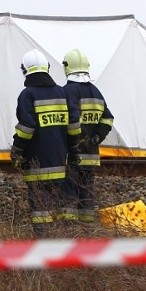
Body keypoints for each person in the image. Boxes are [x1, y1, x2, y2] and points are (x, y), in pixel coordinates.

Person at [12, 49, 80, 237]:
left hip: (37, 163)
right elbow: (73, 124)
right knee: (62, 204)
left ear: (25, 70)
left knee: (41, 208)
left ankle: (44, 243)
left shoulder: (27, 95)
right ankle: (64, 242)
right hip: (61, 161)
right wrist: (73, 149)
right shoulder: (62, 92)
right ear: (47, 68)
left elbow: (27, 127)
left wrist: (17, 149)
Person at [59, 49, 113, 224]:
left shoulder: (68, 91)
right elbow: (108, 118)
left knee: (69, 194)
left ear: (67, 67)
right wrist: (97, 137)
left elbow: (73, 120)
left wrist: (75, 142)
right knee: (87, 194)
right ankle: (88, 229)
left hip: (73, 155)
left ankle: (70, 229)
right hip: (91, 156)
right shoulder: (96, 92)